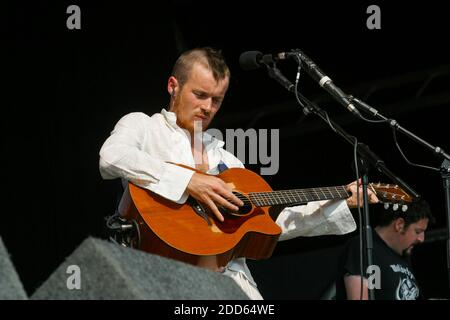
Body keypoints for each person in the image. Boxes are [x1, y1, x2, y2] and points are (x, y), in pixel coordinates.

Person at [99, 47, 378, 299]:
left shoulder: (226, 159)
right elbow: (111, 157)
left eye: (217, 100)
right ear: (173, 86)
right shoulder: (144, 127)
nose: (208, 107)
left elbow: (269, 225)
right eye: (200, 95)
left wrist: (343, 201)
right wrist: (190, 181)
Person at [336, 199, 434, 300]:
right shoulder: (364, 247)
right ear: (399, 225)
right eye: (418, 231)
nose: (421, 239)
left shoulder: (402, 254)